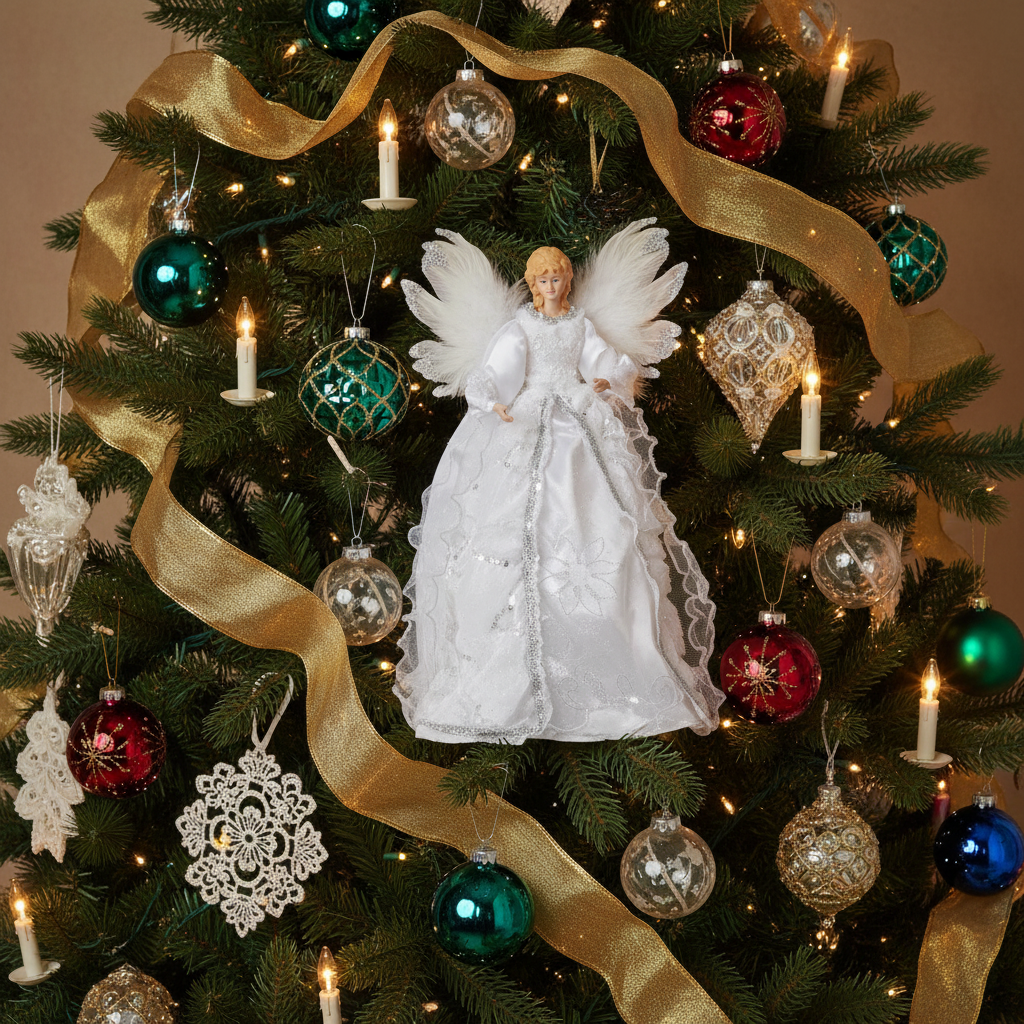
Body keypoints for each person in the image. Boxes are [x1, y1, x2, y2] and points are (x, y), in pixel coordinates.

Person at [395, 222, 723, 743]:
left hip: (579, 418)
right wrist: (493, 400)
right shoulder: (520, 326)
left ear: (568, 280)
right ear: (532, 285)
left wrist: (608, 377)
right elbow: (498, 370)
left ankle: (612, 666)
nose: (551, 287)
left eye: (558, 278)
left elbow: (602, 360)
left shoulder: (579, 323)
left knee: (602, 517)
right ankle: (507, 673)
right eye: (543, 280)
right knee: (511, 520)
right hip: (527, 420)